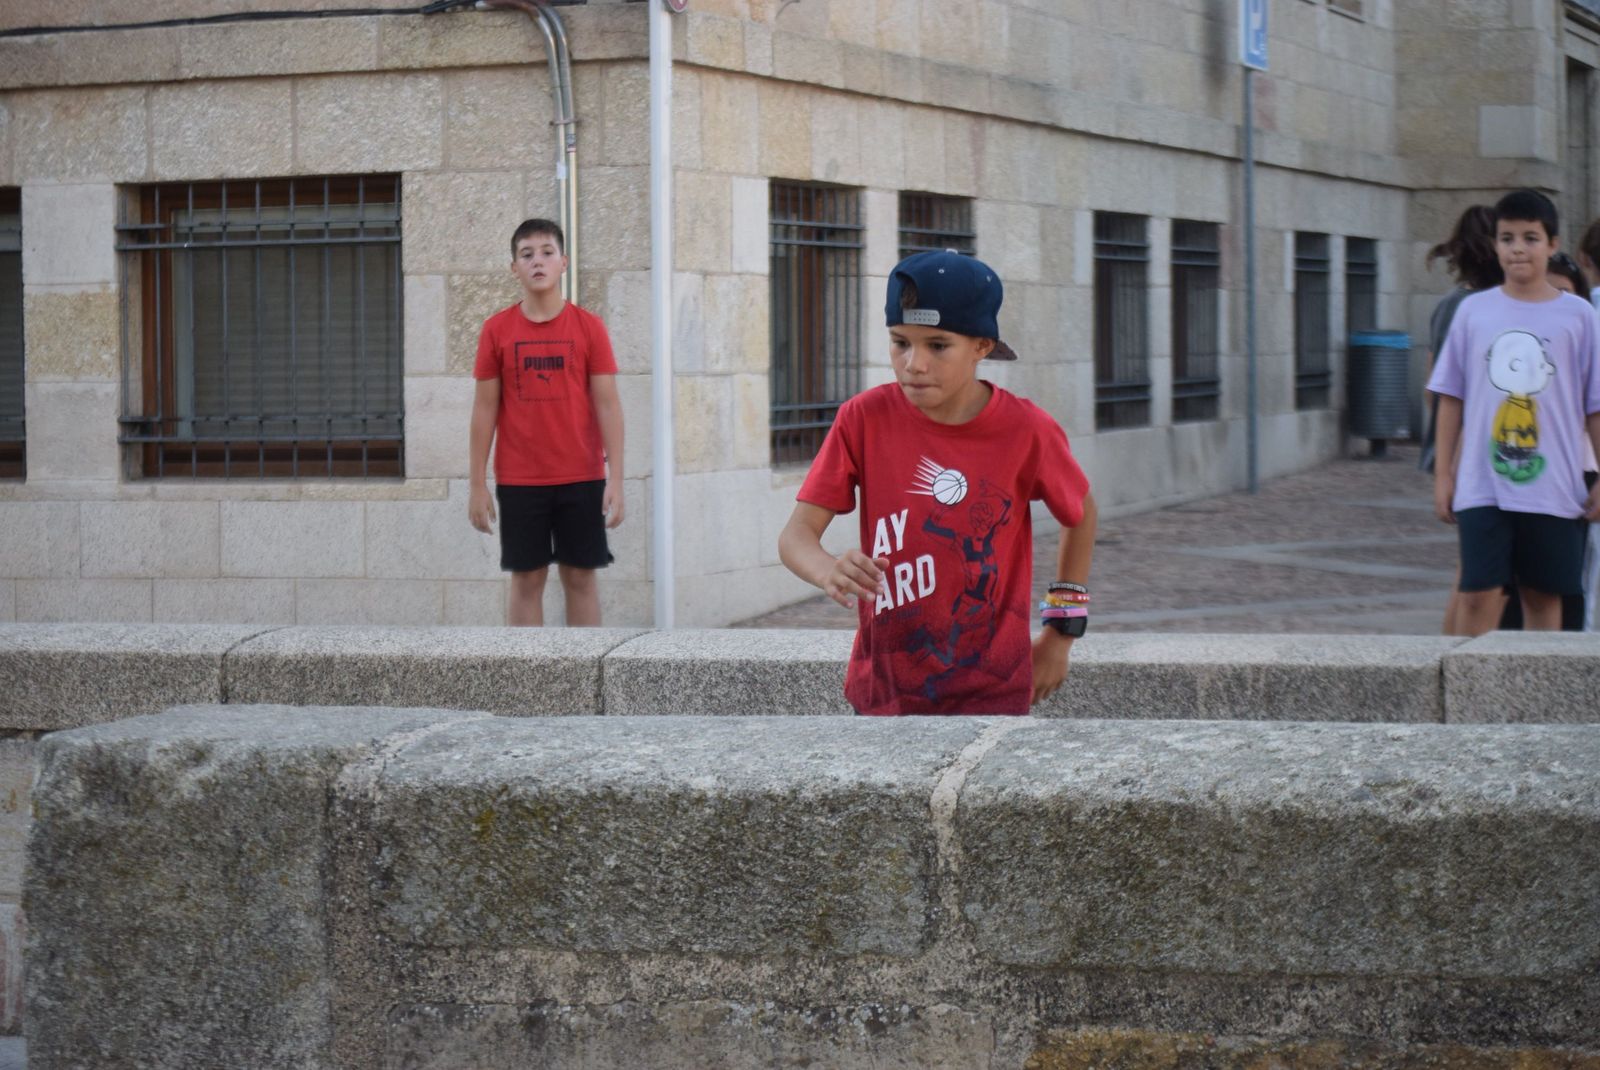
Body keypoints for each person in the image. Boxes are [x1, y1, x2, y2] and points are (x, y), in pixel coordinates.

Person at [778, 250, 1097, 714]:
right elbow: (795, 537)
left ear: (982, 347)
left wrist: (1061, 631)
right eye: (899, 342)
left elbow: (1081, 513)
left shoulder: (1027, 429)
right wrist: (827, 568)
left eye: (937, 345)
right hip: (882, 693)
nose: (914, 363)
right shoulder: (862, 418)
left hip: (993, 693)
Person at [1427, 189, 1600, 637]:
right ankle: (1467, 696)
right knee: (1477, 592)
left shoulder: (1579, 316)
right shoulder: (1473, 312)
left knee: (1542, 595)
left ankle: (1539, 699)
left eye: (1530, 237)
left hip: (1554, 485)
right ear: (1495, 245)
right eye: (1507, 238)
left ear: (1552, 244)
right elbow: (1451, 398)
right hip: (1482, 483)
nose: (1518, 248)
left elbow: (1594, 405)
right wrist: (1445, 475)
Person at [468, 218, 625, 627]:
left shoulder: (589, 328)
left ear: (563, 262)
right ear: (514, 268)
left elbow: (608, 404)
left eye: (547, 252)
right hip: (520, 480)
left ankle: (586, 681)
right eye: (527, 254)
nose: (537, 261)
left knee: (580, 577)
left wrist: (618, 480)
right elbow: (484, 408)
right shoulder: (496, 331)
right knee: (527, 579)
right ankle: (527, 686)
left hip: (581, 475)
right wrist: (476, 483)